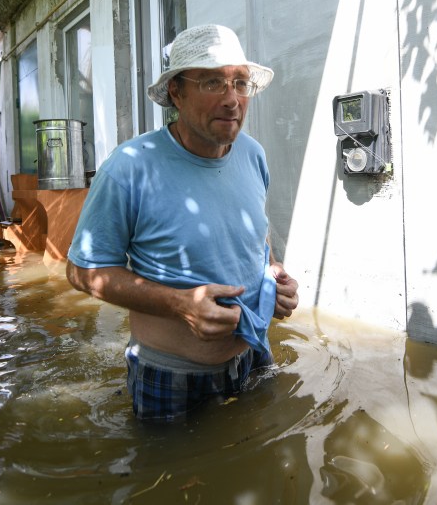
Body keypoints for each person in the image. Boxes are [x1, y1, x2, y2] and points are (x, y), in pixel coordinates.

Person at [66, 24, 299, 422]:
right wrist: (180, 305)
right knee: (165, 478)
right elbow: (82, 270)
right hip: (171, 375)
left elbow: (254, 233)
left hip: (254, 352)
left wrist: (272, 271)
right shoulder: (129, 167)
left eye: (240, 83)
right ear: (176, 91)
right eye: (213, 82)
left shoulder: (252, 154)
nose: (232, 100)